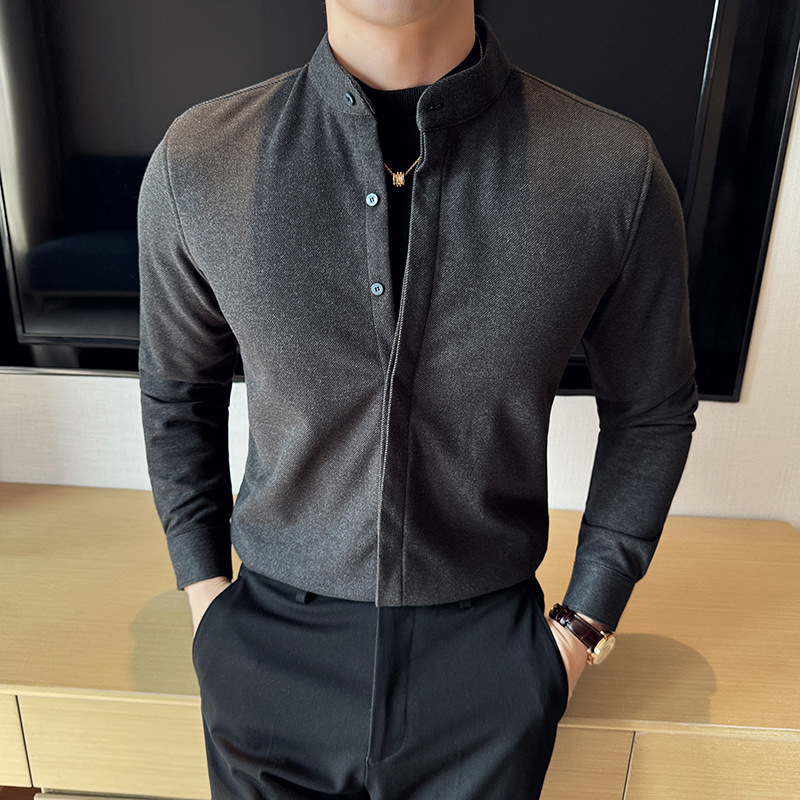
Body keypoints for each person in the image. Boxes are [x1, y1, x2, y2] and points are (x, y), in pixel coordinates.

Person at [137, 1, 698, 798]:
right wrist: (206, 604)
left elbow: (652, 410)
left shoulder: (611, 169)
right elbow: (177, 391)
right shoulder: (200, 162)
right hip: (264, 655)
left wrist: (581, 627)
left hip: (490, 667)